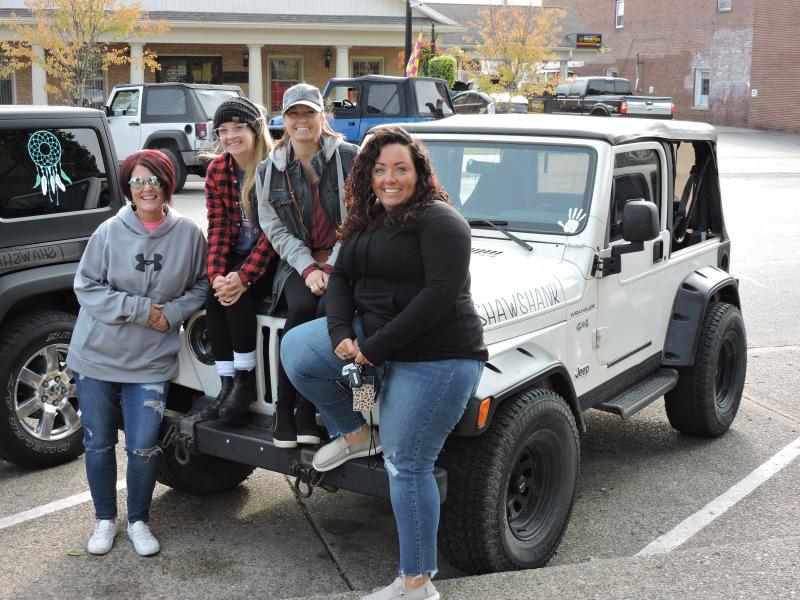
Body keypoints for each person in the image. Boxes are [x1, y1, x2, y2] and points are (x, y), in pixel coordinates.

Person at [280, 127, 487, 600]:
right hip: (376, 345)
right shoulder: (366, 220)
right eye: (379, 170)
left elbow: (439, 297)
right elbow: (341, 280)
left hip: (438, 356)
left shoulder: (441, 222)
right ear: (367, 174)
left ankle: (417, 582)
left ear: (418, 172)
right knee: (298, 350)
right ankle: (359, 429)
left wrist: (373, 349)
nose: (389, 179)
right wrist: (340, 334)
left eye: (400, 169)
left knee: (407, 463)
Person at [67, 150, 209, 556]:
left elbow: (200, 286)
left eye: (155, 180)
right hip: (97, 356)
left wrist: (176, 313)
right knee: (97, 443)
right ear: (128, 187)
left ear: (168, 184)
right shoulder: (109, 231)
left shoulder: (188, 234)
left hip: (150, 360)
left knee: (145, 444)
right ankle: (104, 520)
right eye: (138, 181)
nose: (147, 188)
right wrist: (144, 311)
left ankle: (138, 520)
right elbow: (87, 286)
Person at [256, 83, 358, 448]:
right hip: (299, 264)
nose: (302, 121)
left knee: (330, 311)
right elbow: (274, 227)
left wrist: (330, 267)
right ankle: (289, 411)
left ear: (322, 117)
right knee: (300, 306)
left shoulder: (349, 158)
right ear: (283, 119)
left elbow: (358, 220)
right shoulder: (270, 170)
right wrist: (307, 267)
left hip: (344, 262)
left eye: (309, 113)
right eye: (294, 114)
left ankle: (324, 409)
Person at [201, 96, 277, 421]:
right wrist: (217, 274)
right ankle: (227, 382)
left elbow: (275, 232)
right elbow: (217, 226)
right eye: (223, 130)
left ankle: (245, 382)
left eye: (238, 128)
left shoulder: (274, 166)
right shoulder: (218, 169)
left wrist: (243, 278)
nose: (230, 136)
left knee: (238, 296)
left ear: (255, 129)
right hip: (236, 253)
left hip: (273, 258)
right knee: (213, 295)